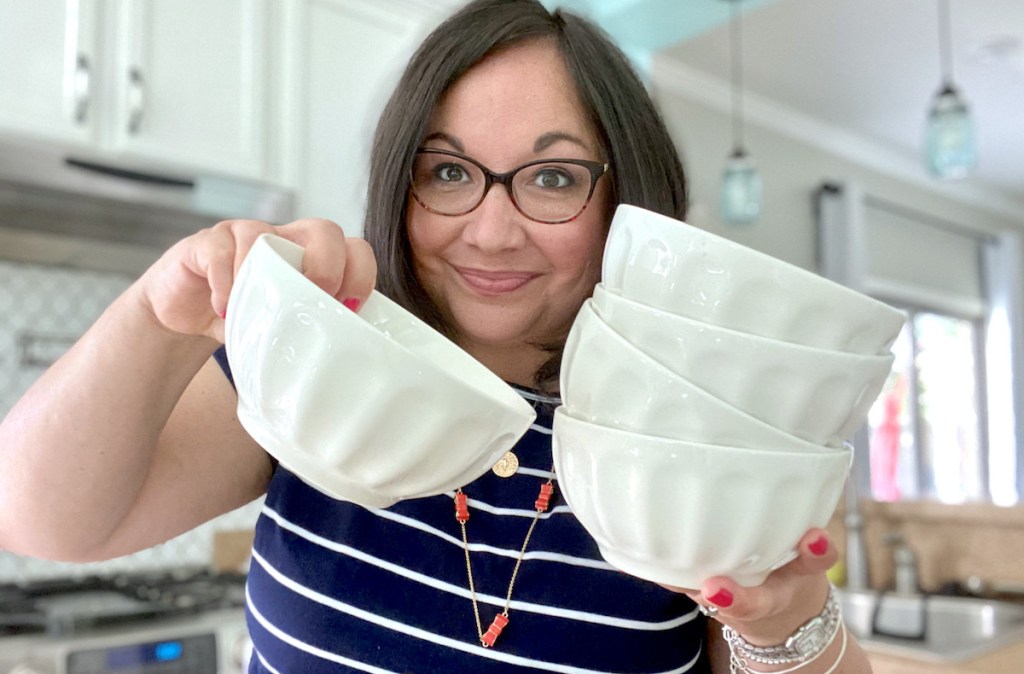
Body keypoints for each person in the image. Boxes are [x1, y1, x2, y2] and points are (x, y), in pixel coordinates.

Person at [0, 0, 871, 672]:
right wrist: (163, 309)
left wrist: (784, 623)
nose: (490, 232)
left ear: (624, 201)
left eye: (554, 176)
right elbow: (38, 519)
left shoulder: (690, 445)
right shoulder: (318, 375)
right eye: (448, 171)